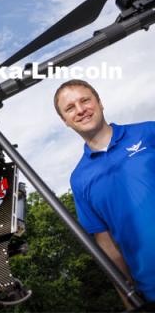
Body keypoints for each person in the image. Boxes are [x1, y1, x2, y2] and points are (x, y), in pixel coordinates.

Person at [53, 79, 155, 307]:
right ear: (65, 121)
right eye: (70, 108)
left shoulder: (149, 132)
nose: (80, 110)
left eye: (85, 100)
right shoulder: (79, 179)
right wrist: (130, 302)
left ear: (99, 103)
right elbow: (107, 246)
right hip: (151, 291)